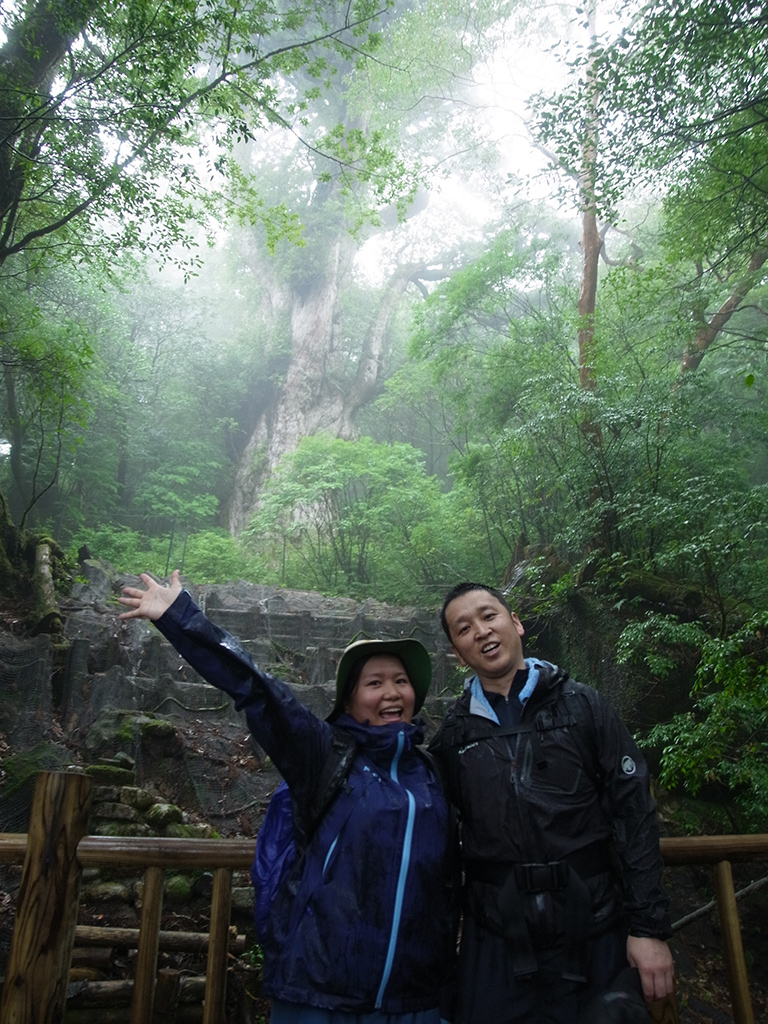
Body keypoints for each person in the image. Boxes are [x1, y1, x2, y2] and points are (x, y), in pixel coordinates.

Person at [119, 571, 456, 1024]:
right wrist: (181, 617)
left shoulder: (435, 772)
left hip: (415, 998)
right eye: (374, 683)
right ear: (349, 701)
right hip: (317, 992)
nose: (392, 692)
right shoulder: (323, 756)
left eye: (401, 681)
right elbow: (257, 689)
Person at [428, 582, 675, 1024]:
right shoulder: (453, 737)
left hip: (595, 926)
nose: (481, 632)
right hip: (498, 940)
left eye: (489, 616)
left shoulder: (584, 707)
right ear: (456, 651)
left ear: (516, 623)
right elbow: (438, 849)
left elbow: (634, 813)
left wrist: (649, 929)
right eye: (464, 628)